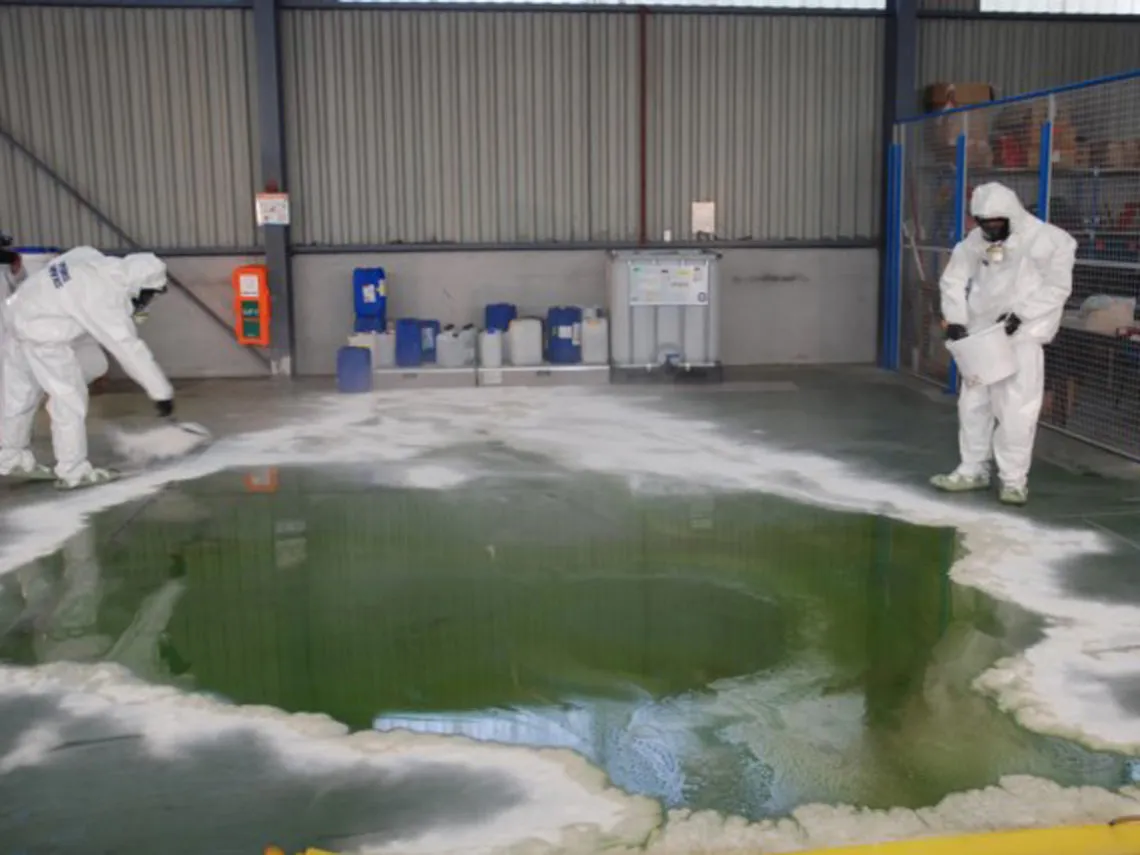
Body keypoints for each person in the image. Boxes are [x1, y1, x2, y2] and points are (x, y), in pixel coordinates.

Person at [930, 182, 1077, 506]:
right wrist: (955, 319)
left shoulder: (1050, 240)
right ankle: (972, 469)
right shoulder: (975, 241)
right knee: (973, 405)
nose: (991, 230)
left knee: (1016, 412)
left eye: (997, 224)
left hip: (1021, 339)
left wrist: (1021, 316)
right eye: (985, 224)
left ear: (1012, 215)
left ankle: (1013, 481)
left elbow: (1057, 287)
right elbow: (953, 279)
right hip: (982, 337)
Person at [0, 247, 175, 489]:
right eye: (148, 295)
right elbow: (128, 349)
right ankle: (73, 470)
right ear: (139, 286)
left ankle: (10, 458)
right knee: (69, 398)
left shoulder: (90, 258)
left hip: (15, 317)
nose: (146, 302)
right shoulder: (106, 297)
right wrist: (161, 393)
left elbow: (64, 282)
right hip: (44, 336)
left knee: (19, 397)